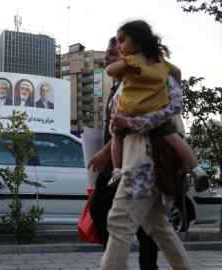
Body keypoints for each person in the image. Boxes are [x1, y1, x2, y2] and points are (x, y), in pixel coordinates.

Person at [98, 20, 191, 270]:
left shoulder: (159, 71)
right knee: (158, 226)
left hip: (146, 155)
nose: (117, 49)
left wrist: (134, 122)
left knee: (119, 222)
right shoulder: (126, 79)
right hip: (134, 153)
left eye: (121, 42)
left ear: (138, 43)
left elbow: (174, 106)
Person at [107, 20, 207, 186]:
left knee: (117, 135)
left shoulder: (130, 60)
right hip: (156, 110)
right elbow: (177, 72)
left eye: (122, 40)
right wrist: (168, 85)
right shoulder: (159, 60)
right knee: (174, 139)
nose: (119, 46)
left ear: (137, 42)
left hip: (130, 111)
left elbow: (110, 71)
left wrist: (124, 66)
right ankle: (197, 169)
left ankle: (117, 170)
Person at [89, 37, 160, 270]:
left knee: (144, 222)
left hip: (133, 160)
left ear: (125, 57)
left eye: (112, 52)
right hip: (117, 162)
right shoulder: (115, 86)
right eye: (107, 53)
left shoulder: (132, 82)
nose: (107, 57)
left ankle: (128, 263)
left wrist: (103, 152)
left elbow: (128, 127)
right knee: (109, 212)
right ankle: (116, 260)